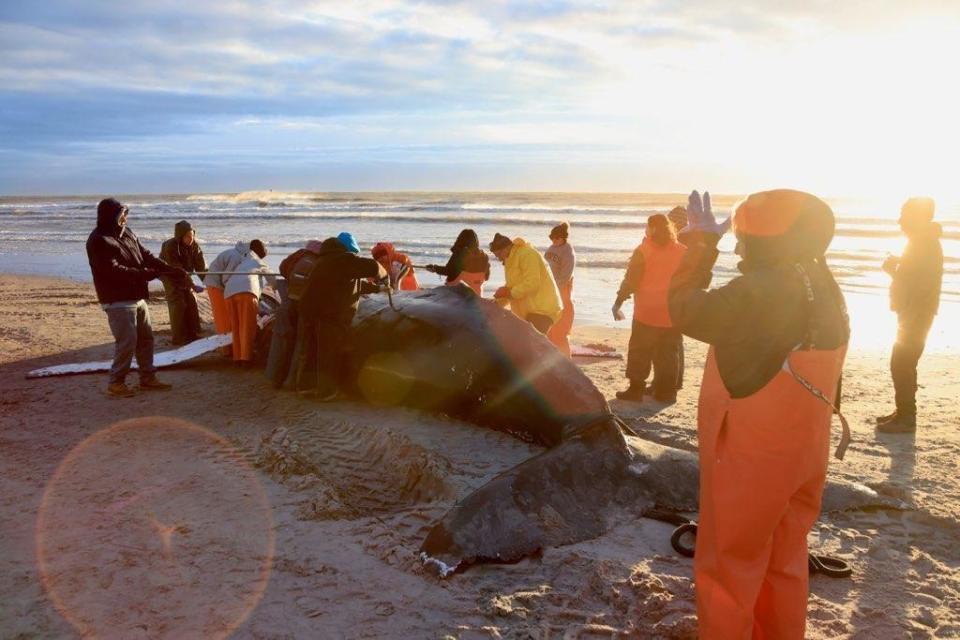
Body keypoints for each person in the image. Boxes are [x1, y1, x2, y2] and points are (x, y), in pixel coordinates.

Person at [669, 189, 849, 638]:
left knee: (730, 561)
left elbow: (686, 310)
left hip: (751, 453)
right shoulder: (824, 285)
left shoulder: (757, 289)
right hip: (805, 449)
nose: (738, 245)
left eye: (743, 236)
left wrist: (699, 245)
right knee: (785, 557)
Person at [86, 198, 178, 397]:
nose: (125, 218)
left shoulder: (127, 233)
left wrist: (168, 269)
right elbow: (114, 271)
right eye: (122, 215)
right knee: (127, 341)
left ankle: (147, 377)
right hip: (117, 299)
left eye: (126, 214)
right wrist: (148, 274)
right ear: (111, 216)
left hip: (137, 296)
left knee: (146, 339)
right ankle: (116, 384)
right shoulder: (98, 240)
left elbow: (145, 255)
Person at [876, 197, 944, 433]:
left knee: (901, 362)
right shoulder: (922, 241)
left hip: (916, 312)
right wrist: (900, 263)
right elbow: (917, 274)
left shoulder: (923, 242)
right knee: (905, 363)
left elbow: (915, 283)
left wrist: (891, 269)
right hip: (915, 311)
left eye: (904, 215)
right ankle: (904, 412)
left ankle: (906, 417)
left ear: (917, 217)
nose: (899, 221)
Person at [297, 232, 386, 401]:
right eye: (354, 253)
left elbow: (351, 283)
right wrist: (385, 276)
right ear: (348, 250)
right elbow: (374, 267)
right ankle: (326, 392)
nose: (355, 256)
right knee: (328, 352)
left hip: (311, 310)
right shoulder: (342, 259)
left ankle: (306, 388)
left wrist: (377, 289)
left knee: (312, 350)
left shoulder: (326, 260)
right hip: (328, 314)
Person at [612, 214, 687, 402]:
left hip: (646, 311)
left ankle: (636, 390)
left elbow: (631, 280)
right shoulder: (683, 251)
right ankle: (666, 392)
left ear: (652, 228)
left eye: (647, 226)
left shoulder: (644, 250)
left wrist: (618, 302)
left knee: (640, 351)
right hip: (672, 312)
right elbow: (691, 281)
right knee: (668, 354)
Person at [489, 233, 561, 334]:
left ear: (507, 248)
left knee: (532, 347)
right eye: (497, 256)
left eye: (499, 254)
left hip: (542, 310)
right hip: (529, 313)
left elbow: (532, 283)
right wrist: (496, 303)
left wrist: (508, 292)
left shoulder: (527, 254)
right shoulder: (510, 260)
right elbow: (512, 288)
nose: (499, 258)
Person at [223, 240, 275, 366]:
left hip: (229, 293)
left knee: (236, 327)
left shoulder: (242, 261)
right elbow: (272, 279)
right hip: (247, 292)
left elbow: (226, 277)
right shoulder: (258, 261)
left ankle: (237, 358)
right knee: (247, 326)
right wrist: (274, 287)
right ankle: (246, 359)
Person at [159, 220, 206, 345]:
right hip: (169, 275)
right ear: (180, 236)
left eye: (192, 236)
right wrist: (192, 285)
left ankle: (192, 333)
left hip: (184, 275)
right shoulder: (170, 246)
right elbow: (177, 270)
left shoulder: (195, 246)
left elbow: (201, 267)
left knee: (191, 301)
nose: (191, 239)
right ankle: (179, 337)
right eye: (187, 236)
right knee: (178, 303)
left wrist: (210, 282)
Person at [204, 241, 248, 355]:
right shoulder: (236, 257)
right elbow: (226, 278)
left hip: (217, 283)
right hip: (215, 285)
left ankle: (228, 345)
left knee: (226, 316)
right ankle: (226, 348)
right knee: (222, 317)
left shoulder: (236, 253)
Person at [424, 229, 491, 296]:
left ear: (460, 240)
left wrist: (434, 268)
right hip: (476, 297)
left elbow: (448, 271)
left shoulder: (459, 254)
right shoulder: (484, 257)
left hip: (456, 296)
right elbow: (487, 277)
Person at [544, 222, 576, 356]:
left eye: (557, 238)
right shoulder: (551, 248)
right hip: (549, 292)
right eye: (552, 238)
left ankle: (565, 360)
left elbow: (566, 276)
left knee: (560, 331)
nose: (554, 241)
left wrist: (554, 289)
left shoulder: (568, 252)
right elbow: (544, 266)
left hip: (562, 292)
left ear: (564, 237)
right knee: (549, 330)